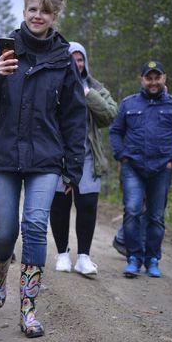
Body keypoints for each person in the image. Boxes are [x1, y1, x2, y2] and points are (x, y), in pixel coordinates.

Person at [0, 0, 87, 338]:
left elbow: (74, 117)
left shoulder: (64, 59)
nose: (38, 16)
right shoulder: (3, 51)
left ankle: (28, 310)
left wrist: (72, 170)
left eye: (45, 10)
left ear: (55, 15)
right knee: (4, 233)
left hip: (46, 159)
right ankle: (0, 270)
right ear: (24, 12)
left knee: (36, 227)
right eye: (33, 9)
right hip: (4, 156)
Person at [109, 61, 172, 278]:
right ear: (142, 80)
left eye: (157, 78)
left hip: (162, 169)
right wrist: (122, 156)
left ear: (164, 78)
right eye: (149, 78)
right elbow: (115, 132)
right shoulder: (128, 104)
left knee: (156, 216)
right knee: (133, 211)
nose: (153, 82)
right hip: (133, 167)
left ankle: (152, 259)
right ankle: (134, 258)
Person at [49, 42, 117, 275]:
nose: (76, 64)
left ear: (85, 62)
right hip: (58, 156)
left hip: (88, 157)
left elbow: (110, 115)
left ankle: (84, 257)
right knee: (59, 205)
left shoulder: (94, 86)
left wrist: (88, 94)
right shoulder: (53, 83)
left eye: (80, 59)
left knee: (87, 205)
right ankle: (62, 254)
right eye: (72, 59)